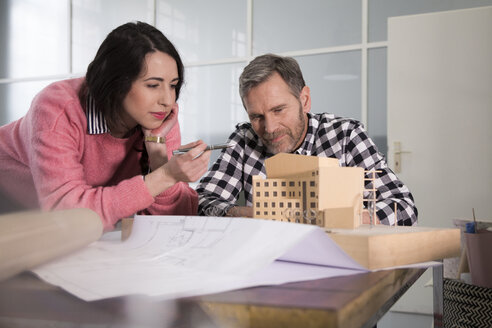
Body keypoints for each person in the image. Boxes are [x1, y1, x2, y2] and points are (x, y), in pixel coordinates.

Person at [0, 21, 211, 230]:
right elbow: (67, 217)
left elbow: (172, 223)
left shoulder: (157, 119)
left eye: (173, 85)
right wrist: (166, 175)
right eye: (153, 85)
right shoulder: (58, 107)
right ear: (116, 83)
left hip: (62, 228)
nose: (167, 100)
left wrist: (158, 157)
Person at [196, 53, 417, 226]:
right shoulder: (245, 140)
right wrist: (242, 213)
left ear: (305, 100)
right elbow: (202, 201)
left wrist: (346, 219)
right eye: (257, 116)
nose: (270, 128)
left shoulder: (345, 136)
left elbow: (403, 207)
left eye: (279, 110)